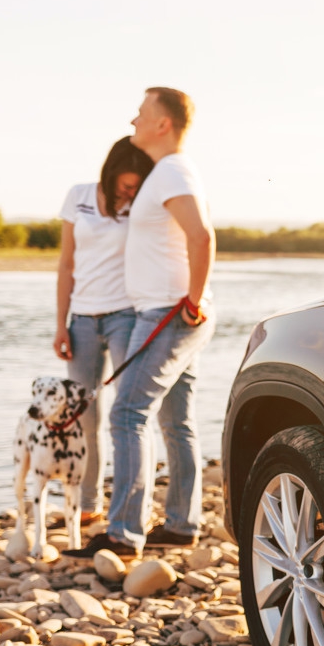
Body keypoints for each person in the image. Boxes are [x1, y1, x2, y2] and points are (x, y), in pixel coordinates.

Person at [66, 87, 216, 559]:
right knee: (176, 421)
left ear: (162, 124)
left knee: (127, 413)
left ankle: (124, 534)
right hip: (169, 311)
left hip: (168, 313)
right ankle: (181, 525)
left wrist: (192, 300)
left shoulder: (171, 170)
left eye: (141, 112)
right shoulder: (167, 172)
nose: (134, 119)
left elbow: (201, 236)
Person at [53, 137, 154, 525]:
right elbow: (66, 264)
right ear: (111, 173)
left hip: (125, 316)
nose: (129, 192)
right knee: (84, 416)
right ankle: (87, 503)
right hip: (81, 320)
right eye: (125, 185)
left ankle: (134, 507)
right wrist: (60, 324)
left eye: (136, 187)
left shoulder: (140, 205)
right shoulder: (78, 196)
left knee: (128, 412)